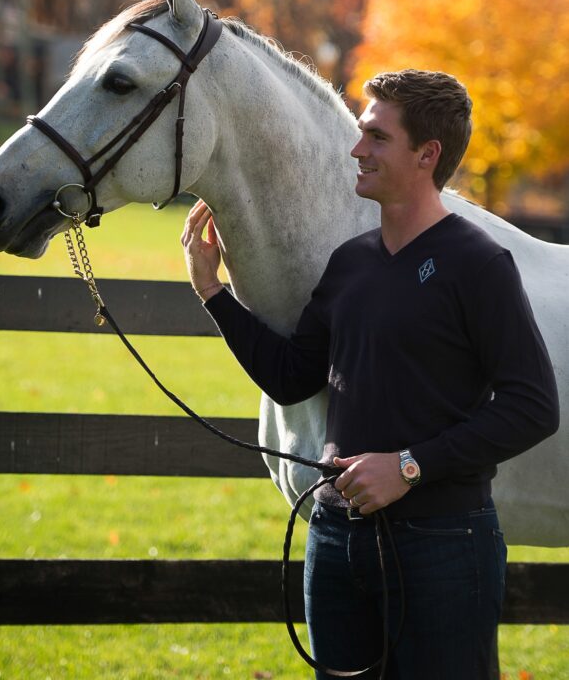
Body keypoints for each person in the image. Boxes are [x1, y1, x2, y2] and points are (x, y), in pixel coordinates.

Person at [181, 69, 560, 680]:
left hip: (443, 545)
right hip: (335, 541)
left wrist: (409, 465)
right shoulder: (350, 264)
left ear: (426, 155)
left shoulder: (479, 264)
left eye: (377, 138)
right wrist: (212, 292)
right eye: (361, 133)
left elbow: (533, 404)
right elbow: (291, 377)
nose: (356, 150)